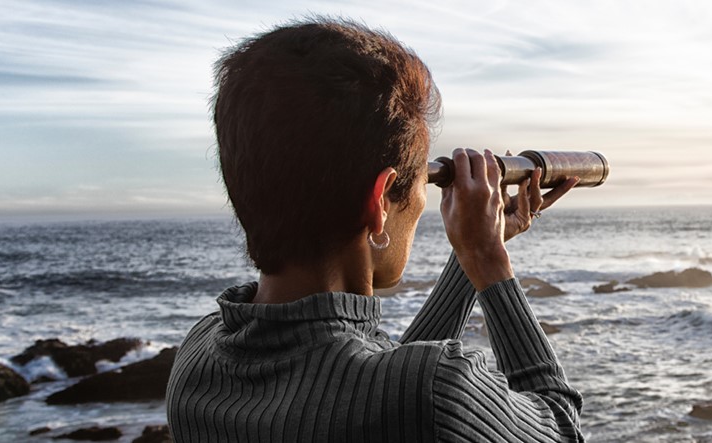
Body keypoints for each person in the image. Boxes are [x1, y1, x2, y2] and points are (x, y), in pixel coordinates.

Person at [165, 17, 584, 442]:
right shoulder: (430, 389)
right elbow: (561, 430)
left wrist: (470, 255)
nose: (420, 204)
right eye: (419, 186)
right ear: (380, 200)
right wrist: (487, 260)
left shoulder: (197, 359)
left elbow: (386, 391)